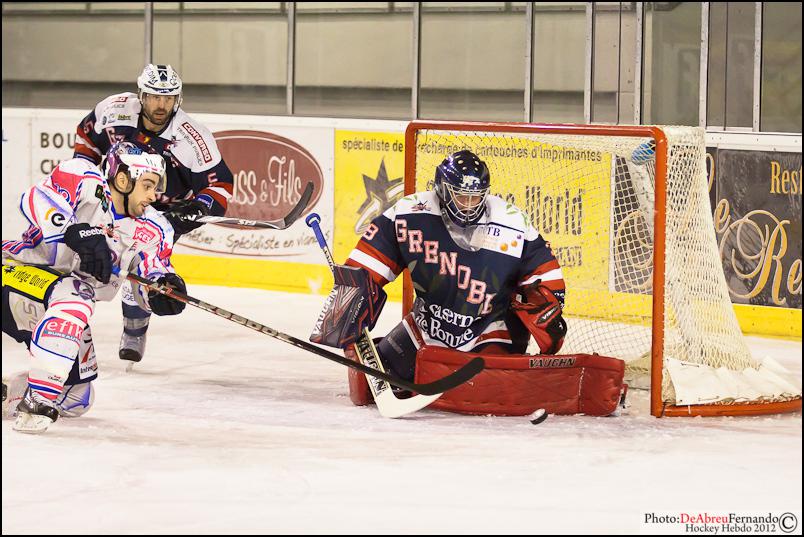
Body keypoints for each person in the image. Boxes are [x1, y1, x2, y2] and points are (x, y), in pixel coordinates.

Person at [311, 150, 569, 404]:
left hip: (489, 330)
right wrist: (349, 309)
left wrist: (543, 307)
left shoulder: (512, 222)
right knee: (369, 387)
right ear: (443, 190)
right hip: (425, 327)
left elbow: (547, 276)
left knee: (485, 396)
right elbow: (369, 262)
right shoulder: (410, 213)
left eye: (475, 197)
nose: (468, 206)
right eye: (460, 196)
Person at [2, 141, 187, 433]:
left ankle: (10, 393)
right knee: (78, 293)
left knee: (77, 398)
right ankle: (36, 402)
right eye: (149, 185)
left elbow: (152, 271)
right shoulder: (84, 177)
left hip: (59, 305)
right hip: (14, 274)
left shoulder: (155, 228)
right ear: (124, 179)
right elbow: (35, 198)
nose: (154, 195)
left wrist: (161, 291)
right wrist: (73, 230)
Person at [73, 64, 234, 366]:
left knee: (144, 263)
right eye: (154, 98)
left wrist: (198, 208)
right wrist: (83, 174)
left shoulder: (192, 138)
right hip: (115, 200)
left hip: (163, 211)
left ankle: (134, 329)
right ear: (141, 96)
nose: (161, 106)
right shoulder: (114, 110)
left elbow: (221, 184)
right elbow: (86, 135)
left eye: (169, 98)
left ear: (178, 99)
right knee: (89, 262)